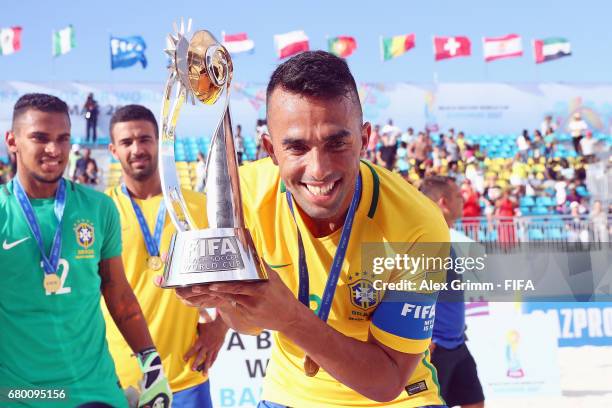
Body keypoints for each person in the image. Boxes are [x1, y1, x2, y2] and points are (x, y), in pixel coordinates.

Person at [171, 51, 450, 407]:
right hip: (290, 397)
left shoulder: (416, 225)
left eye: (337, 143)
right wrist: (224, 298)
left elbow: (387, 381)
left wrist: (290, 318)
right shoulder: (240, 201)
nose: (318, 169)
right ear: (270, 149)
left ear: (365, 139)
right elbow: (246, 324)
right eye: (297, 147)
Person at [0, 93, 171, 407]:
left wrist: (152, 366)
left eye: (63, 139)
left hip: (94, 392)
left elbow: (119, 296)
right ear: (13, 140)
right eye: (40, 138)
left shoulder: (98, 208)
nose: (54, 150)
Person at [105, 105, 228, 407]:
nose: (137, 148)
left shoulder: (199, 206)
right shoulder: (100, 211)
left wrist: (221, 325)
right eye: (127, 142)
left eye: (145, 139)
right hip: (118, 378)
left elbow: (233, 276)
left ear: (159, 143)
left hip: (185, 375)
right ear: (113, 150)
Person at [419, 176, 485, 408]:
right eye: (459, 195)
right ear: (444, 202)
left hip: (456, 341)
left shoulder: (444, 236)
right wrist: (423, 338)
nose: (463, 199)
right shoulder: (426, 238)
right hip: (434, 347)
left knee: (475, 402)